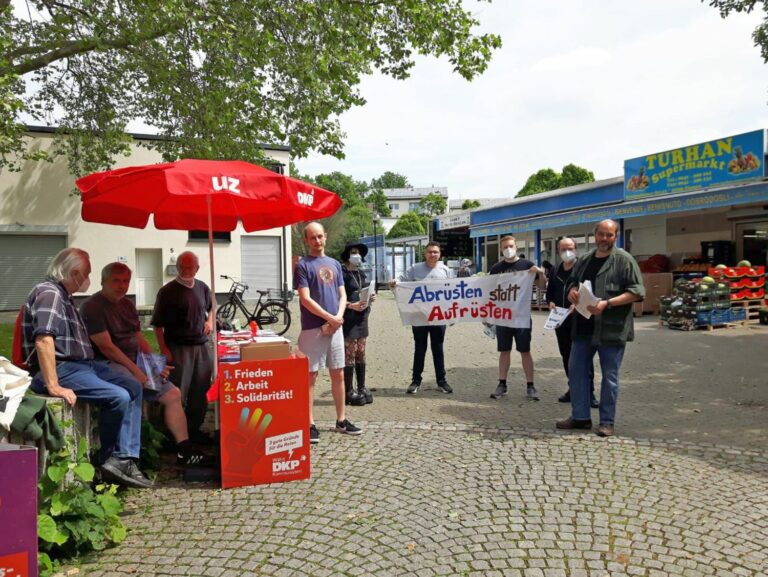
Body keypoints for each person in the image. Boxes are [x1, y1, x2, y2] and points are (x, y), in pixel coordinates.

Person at [21, 248, 152, 488]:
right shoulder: (49, 293)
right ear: (75, 273)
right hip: (64, 368)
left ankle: (124, 458)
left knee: (132, 386)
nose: (89, 279)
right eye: (88, 274)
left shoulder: (64, 295)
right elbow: (44, 339)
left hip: (84, 365)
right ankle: (107, 459)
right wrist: (53, 385)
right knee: (118, 396)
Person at [80, 262, 206, 465]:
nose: (122, 286)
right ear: (103, 281)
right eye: (116, 281)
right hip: (108, 364)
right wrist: (138, 372)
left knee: (173, 394)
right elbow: (107, 348)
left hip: (135, 361)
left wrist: (153, 364)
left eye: (125, 281)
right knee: (134, 386)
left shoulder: (127, 304)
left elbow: (138, 338)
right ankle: (127, 458)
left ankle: (184, 451)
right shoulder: (92, 306)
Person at [557, 219, 645, 437]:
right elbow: (572, 282)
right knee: (577, 372)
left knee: (610, 377)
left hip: (611, 330)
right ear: (594, 235)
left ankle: (607, 421)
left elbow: (637, 292)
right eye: (601, 234)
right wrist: (572, 291)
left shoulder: (625, 261)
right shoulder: (585, 260)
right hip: (583, 327)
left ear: (616, 236)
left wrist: (608, 303)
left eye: (609, 235)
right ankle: (580, 417)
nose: (604, 239)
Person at [295, 222, 362, 444]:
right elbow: (305, 298)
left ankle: (341, 420)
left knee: (338, 373)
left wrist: (338, 317)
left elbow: (342, 295)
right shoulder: (303, 265)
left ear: (326, 237)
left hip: (335, 327)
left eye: (320, 236)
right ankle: (309, 422)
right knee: (309, 377)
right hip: (313, 328)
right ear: (306, 240)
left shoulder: (334, 264)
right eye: (312, 238)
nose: (317, 241)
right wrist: (329, 318)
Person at [151, 251, 214, 444]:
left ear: (197, 268)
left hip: (202, 346)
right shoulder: (167, 291)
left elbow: (212, 306)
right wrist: (164, 348)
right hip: (178, 347)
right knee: (178, 392)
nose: (186, 270)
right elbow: (157, 324)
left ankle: (194, 429)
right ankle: (172, 435)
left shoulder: (203, 287)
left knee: (201, 389)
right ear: (178, 267)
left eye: (190, 267)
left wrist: (210, 321)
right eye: (183, 267)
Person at [389, 241, 454, 395]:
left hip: (439, 317)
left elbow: (452, 292)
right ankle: (415, 381)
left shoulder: (446, 271)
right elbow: (401, 280)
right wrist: (394, 282)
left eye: (435, 252)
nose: (432, 255)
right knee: (420, 348)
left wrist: (452, 313)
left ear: (440, 254)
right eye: (430, 252)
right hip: (419, 317)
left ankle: (441, 381)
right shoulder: (415, 269)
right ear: (425, 253)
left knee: (438, 349)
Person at [488, 236, 546, 401]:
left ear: (516, 246)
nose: (508, 249)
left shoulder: (527, 265)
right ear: (501, 249)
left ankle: (530, 385)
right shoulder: (496, 268)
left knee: (525, 351)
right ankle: (502, 384)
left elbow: (542, 286)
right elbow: (489, 291)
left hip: (521, 317)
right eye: (505, 247)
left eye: (511, 246)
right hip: (503, 317)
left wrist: (540, 273)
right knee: (504, 351)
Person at [546, 238, 597, 408]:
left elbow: (589, 292)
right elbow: (550, 292)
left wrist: (578, 304)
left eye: (570, 248)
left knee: (583, 357)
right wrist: (551, 302)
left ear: (576, 249)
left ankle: (589, 393)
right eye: (563, 249)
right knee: (567, 356)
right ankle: (573, 388)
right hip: (560, 320)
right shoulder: (555, 270)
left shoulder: (582, 269)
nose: (566, 252)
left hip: (579, 320)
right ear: (558, 251)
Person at [340, 242, 376, 406]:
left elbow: (363, 290)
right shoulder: (342, 273)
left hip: (362, 317)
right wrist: (350, 305)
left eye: (359, 253)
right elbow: (337, 297)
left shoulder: (361, 273)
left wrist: (370, 297)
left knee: (361, 351)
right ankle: (348, 390)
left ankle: (361, 387)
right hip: (349, 317)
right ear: (348, 254)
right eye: (354, 252)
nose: (357, 256)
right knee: (350, 353)